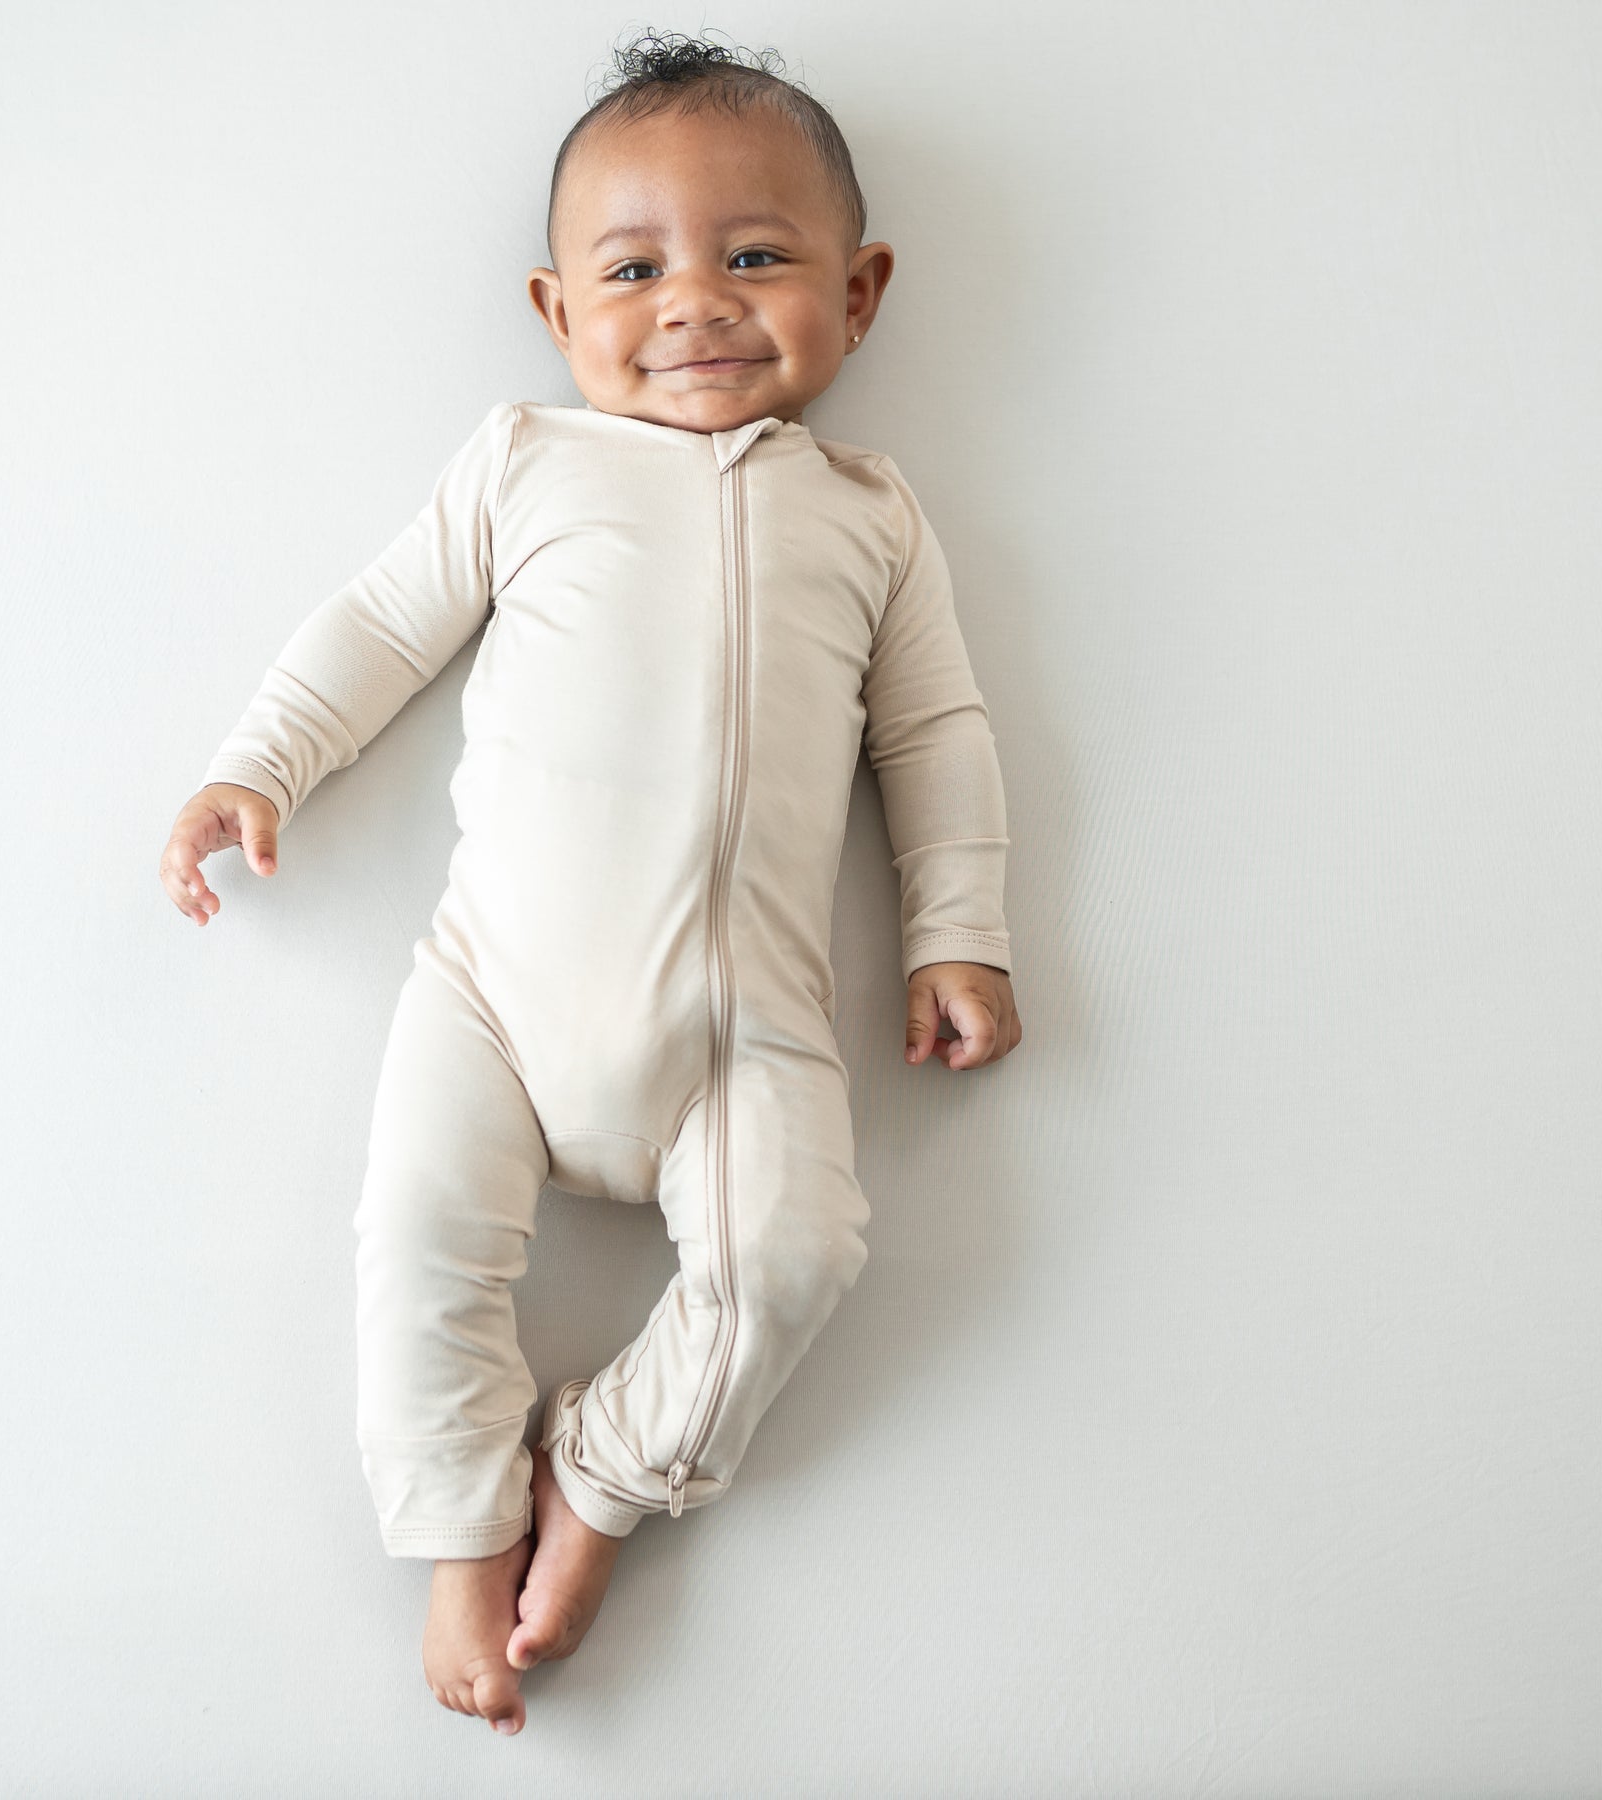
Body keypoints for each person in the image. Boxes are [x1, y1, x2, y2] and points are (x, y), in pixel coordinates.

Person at [157, 29, 1024, 1738]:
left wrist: (960, 933)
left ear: (859, 294)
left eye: (755, 257)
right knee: (416, 1248)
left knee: (795, 1258)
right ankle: (461, 1533)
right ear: (560, 313)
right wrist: (260, 762)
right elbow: (383, 625)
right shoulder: (526, 462)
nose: (695, 301)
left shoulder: (872, 515)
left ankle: (606, 1478)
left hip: (748, 1030)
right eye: (635, 271)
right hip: (495, 992)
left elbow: (936, 730)